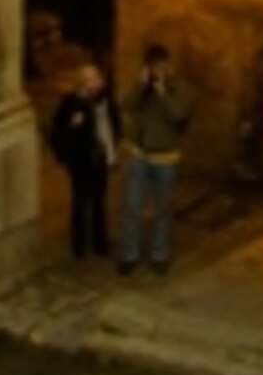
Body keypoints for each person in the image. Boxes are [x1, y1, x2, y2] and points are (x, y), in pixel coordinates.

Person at [116, 42, 193, 277]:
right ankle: (129, 254)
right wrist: (141, 86)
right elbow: (125, 106)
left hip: (165, 158)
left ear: (169, 66)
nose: (158, 71)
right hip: (141, 154)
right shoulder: (143, 91)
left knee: (163, 209)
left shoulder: (181, 90)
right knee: (131, 206)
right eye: (153, 67)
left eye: (162, 66)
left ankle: (160, 254)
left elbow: (178, 116)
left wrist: (162, 94)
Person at [46, 60, 121, 258]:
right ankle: (79, 246)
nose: (98, 81)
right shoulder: (72, 103)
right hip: (81, 161)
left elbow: (114, 124)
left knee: (99, 202)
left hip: (101, 158)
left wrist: (112, 148)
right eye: (93, 79)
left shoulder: (104, 100)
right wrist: (66, 153)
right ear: (84, 83)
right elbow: (57, 130)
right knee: (80, 203)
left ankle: (100, 243)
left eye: (98, 78)